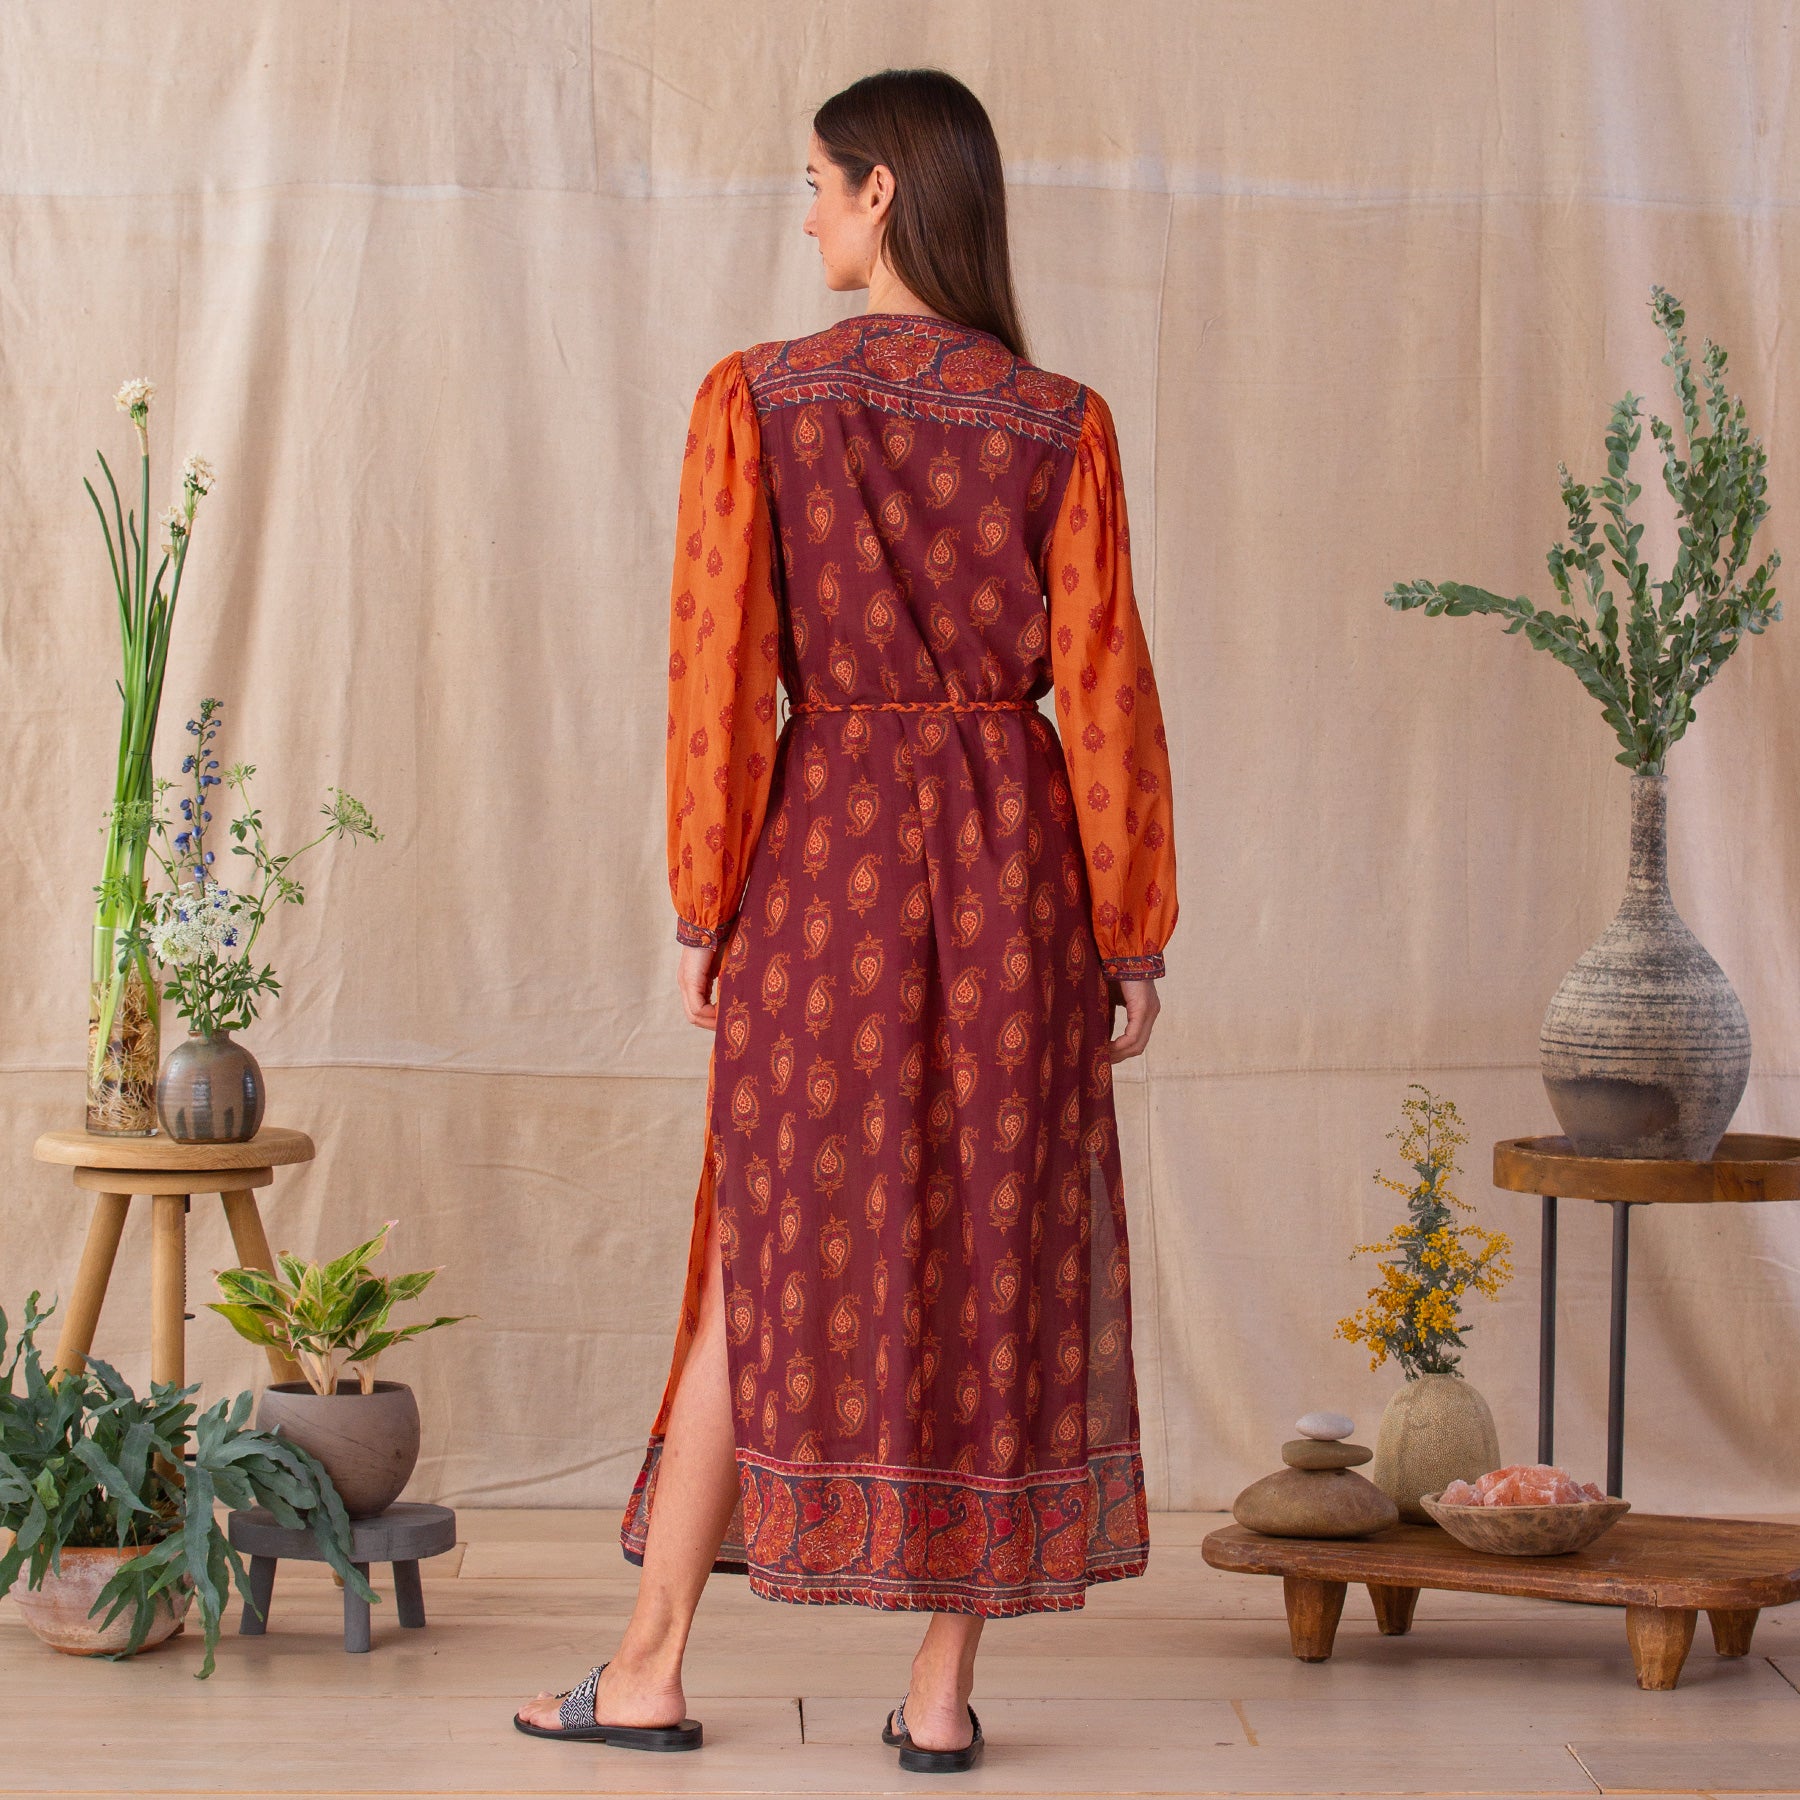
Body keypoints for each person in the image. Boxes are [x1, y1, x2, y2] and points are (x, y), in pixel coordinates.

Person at [515, 65, 1177, 1776]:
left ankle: (650, 1670)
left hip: (825, 870)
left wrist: (705, 899)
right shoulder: (1061, 423)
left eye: (817, 182)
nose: (804, 212)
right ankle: (941, 1699)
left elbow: (720, 671)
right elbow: (1105, 687)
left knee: (763, 1260)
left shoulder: (759, 399)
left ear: (885, 193)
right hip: (1017, 870)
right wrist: (1131, 928)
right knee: (999, 1266)